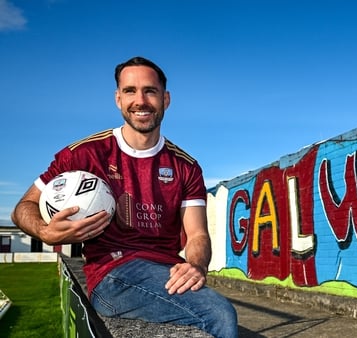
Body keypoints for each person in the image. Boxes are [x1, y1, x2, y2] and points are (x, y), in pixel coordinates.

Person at [11, 56, 238, 338]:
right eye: (130, 91)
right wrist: (46, 232)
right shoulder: (85, 154)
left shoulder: (185, 166)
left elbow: (197, 236)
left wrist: (196, 265)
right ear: (118, 99)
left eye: (150, 91)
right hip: (113, 274)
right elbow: (23, 207)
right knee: (218, 314)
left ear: (166, 99)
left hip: (165, 271)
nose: (140, 100)